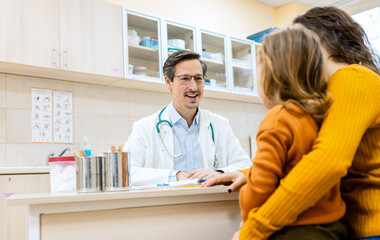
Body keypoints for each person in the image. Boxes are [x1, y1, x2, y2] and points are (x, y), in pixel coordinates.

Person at [202, 6, 380, 240]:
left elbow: (325, 164)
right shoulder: (325, 95)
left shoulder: (352, 78)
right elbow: (306, 157)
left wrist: (253, 230)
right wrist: (250, 173)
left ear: (316, 43)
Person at [238, 27, 347, 240]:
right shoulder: (319, 116)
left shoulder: (278, 118)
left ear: (271, 75)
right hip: (335, 226)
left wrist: (245, 219)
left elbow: (260, 187)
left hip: (297, 231)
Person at [124, 50, 251, 186]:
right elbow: (127, 172)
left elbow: (245, 165)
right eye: (185, 79)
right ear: (168, 82)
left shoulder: (220, 124)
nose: (193, 87)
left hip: (211, 204)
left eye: (198, 78)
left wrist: (219, 173)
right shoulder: (145, 127)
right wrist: (175, 176)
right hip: (166, 205)